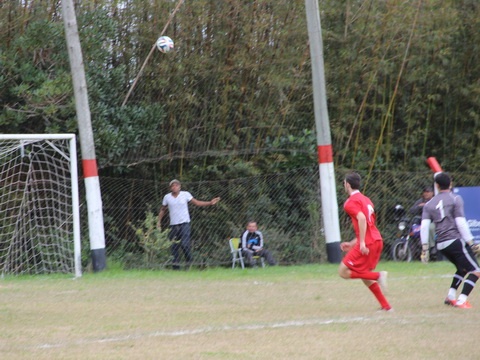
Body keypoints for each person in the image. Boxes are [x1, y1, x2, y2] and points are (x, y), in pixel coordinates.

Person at [420, 172, 480, 309]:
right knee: (476, 271)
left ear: (436, 186)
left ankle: (451, 297)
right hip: (454, 240)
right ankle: (461, 300)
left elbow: (424, 227)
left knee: (462, 269)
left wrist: (425, 249)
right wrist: (471, 242)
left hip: (440, 244)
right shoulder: (455, 199)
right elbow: (461, 223)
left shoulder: (429, 204)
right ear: (451, 184)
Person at [338, 172, 392, 311]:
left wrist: (361, 243)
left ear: (348, 184)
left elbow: (362, 219)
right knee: (363, 274)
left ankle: (379, 276)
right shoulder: (366, 200)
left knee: (343, 271)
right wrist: (352, 243)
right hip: (377, 240)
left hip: (368, 242)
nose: (344, 185)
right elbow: (368, 225)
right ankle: (386, 307)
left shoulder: (349, 202)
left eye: (344, 183)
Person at [158, 179, 220, 269]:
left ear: (180, 187)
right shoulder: (167, 197)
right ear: (170, 188)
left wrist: (210, 203)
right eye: (173, 186)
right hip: (173, 225)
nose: (174, 187)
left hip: (184, 224)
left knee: (184, 244)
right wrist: (158, 221)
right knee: (174, 247)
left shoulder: (185, 194)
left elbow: (197, 203)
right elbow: (163, 210)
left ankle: (189, 262)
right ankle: (176, 268)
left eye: (176, 185)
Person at [410, 186, 436, 256]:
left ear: (432, 193)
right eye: (424, 192)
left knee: (430, 228)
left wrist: (427, 206)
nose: (426, 194)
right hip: (420, 222)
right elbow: (411, 210)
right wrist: (419, 207)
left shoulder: (435, 200)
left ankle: (432, 247)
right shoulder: (420, 201)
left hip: (433, 221)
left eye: (428, 192)